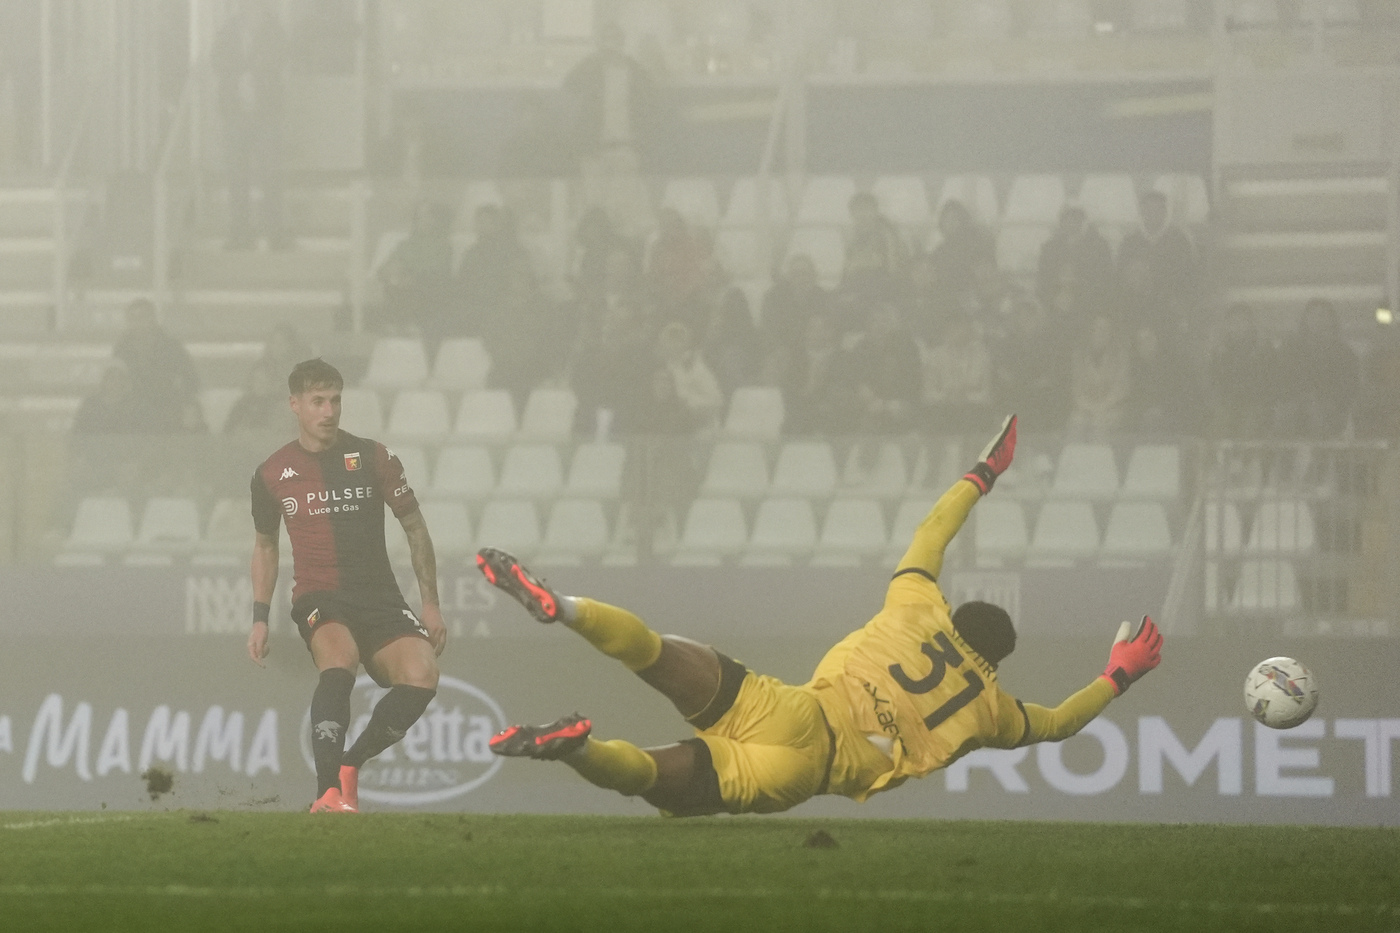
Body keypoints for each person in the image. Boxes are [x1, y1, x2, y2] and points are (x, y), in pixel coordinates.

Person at [477, 416, 1163, 816]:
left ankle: (561, 606)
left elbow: (932, 532)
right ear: (997, 658)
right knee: (659, 781)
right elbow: (1059, 721)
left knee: (651, 652)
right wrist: (1119, 673)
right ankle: (578, 748)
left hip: (795, 710)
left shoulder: (918, 604)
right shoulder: (992, 711)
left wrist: (985, 471)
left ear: (958, 615)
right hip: (806, 773)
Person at [246, 359, 447, 813]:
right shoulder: (272, 473)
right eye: (318, 401)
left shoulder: (374, 457)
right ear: (294, 405)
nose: (329, 411)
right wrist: (259, 618)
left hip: (380, 598)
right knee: (340, 660)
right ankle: (326, 795)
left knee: (422, 676)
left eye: (335, 400)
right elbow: (265, 547)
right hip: (321, 596)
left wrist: (430, 605)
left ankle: (350, 765)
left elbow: (415, 528)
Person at [211, 0, 288, 249]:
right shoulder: (227, 31)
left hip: (266, 114)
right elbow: (216, 60)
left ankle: (275, 233)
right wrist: (239, 76)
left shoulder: (275, 31)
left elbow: (278, 59)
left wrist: (251, 74)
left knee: (271, 175)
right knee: (236, 176)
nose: (250, 9)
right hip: (235, 114)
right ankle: (240, 233)